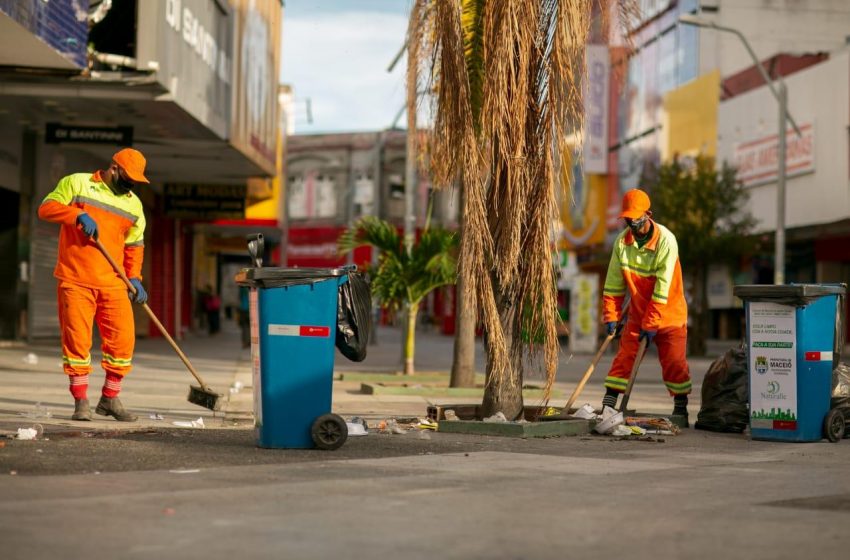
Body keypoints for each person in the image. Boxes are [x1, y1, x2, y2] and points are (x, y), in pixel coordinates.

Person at [37, 148, 150, 422]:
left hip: (113, 282)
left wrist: (134, 277)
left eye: (136, 179)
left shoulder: (134, 204)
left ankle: (110, 398)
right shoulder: (76, 183)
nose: (132, 183)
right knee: (77, 342)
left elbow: (134, 245)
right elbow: (46, 208)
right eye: (128, 176)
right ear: (114, 168)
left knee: (123, 342)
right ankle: (81, 401)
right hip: (75, 279)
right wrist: (76, 216)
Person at [600, 188, 692, 424]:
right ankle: (608, 404)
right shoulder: (622, 244)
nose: (632, 224)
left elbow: (662, 289)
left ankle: (680, 406)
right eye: (628, 219)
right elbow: (613, 285)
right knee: (625, 357)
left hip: (670, 313)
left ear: (648, 215)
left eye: (636, 219)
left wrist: (652, 325)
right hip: (639, 313)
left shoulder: (666, 241)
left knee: (674, 362)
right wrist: (611, 316)